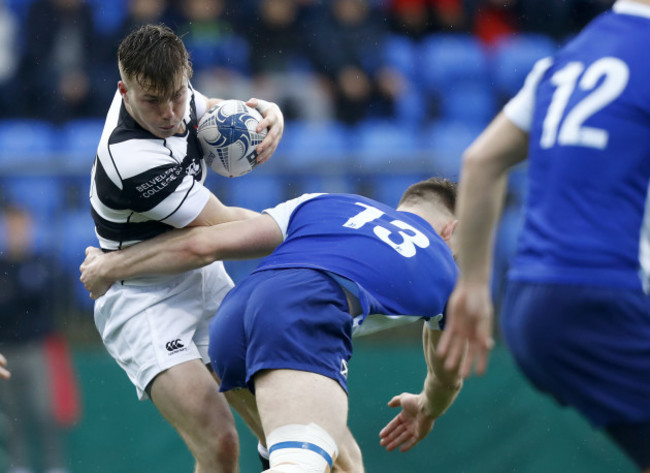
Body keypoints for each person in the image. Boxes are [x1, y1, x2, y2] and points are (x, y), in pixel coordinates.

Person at [80, 177, 465, 472]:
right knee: (301, 466)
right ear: (452, 230)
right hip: (303, 312)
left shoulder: (327, 203)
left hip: (237, 313)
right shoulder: (448, 270)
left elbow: (203, 244)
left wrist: (112, 265)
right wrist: (428, 408)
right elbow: (447, 372)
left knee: (343, 464)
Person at [439, 1, 650, 471]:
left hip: (531, 304)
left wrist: (473, 285)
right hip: (602, 297)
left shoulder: (570, 55)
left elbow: (480, 161)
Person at [89, 24, 284, 473]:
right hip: (142, 297)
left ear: (186, 75)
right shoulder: (131, 156)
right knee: (219, 443)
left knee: (283, 425)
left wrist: (270, 113)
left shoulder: (175, 91)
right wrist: (305, 228)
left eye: (177, 94)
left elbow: (210, 108)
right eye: (152, 101)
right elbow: (223, 228)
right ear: (124, 90)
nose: (169, 113)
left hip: (202, 274)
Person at [0, 205, 77, 473]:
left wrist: (15, 297)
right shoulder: (3, 265)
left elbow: (48, 301)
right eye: (12, 226)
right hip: (6, 350)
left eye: (22, 226)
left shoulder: (43, 263)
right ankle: (18, 465)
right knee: (11, 414)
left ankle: (54, 466)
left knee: (45, 412)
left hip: (35, 349)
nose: (17, 232)